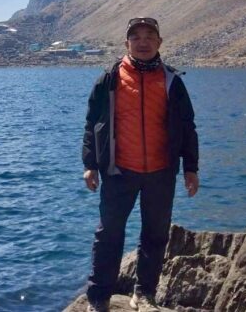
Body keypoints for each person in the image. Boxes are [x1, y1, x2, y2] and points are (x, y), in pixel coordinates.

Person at [82, 17, 199, 312]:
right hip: (119, 171)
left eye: (150, 36)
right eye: (136, 37)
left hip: (161, 171)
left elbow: (187, 127)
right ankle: (98, 298)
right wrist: (90, 164)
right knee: (109, 233)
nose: (143, 42)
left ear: (159, 43)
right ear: (127, 44)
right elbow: (92, 124)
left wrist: (191, 168)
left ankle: (144, 293)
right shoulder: (109, 79)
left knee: (156, 234)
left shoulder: (173, 81)